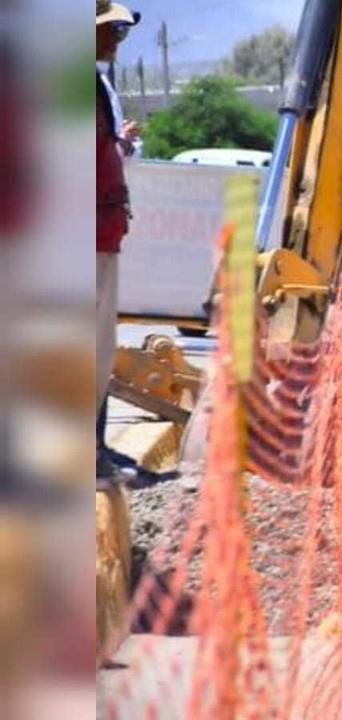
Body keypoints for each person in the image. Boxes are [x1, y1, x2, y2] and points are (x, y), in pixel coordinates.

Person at [96, 1, 141, 484]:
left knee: (97, 351)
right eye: (110, 31)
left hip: (100, 230)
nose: (116, 40)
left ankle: (95, 451)